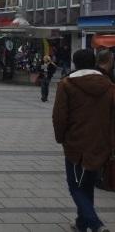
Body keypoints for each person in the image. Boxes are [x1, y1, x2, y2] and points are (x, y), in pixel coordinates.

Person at [53, 49, 113, 232]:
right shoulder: (109, 85)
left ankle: (96, 224)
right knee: (87, 185)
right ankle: (81, 223)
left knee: (75, 186)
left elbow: (59, 116)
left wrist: (60, 137)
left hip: (75, 143)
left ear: (74, 63)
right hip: (100, 143)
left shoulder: (67, 84)